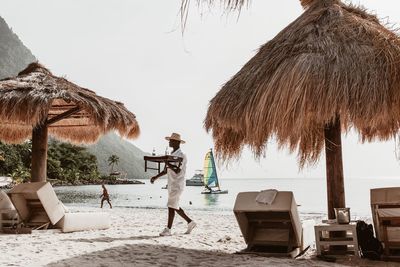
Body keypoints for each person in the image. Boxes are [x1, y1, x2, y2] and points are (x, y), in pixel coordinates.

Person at [150, 133, 196, 236]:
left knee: (171, 205)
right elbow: (166, 170)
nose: (169, 142)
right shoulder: (171, 154)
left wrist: (167, 162)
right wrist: (155, 177)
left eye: (171, 140)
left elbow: (177, 170)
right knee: (174, 205)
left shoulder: (182, 155)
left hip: (178, 183)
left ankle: (168, 229)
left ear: (176, 142)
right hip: (171, 183)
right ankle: (190, 222)